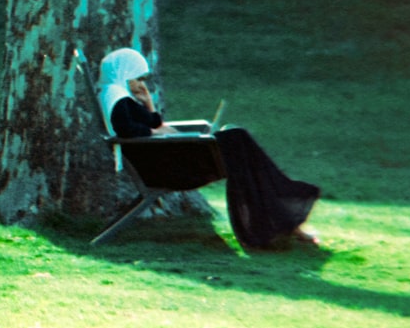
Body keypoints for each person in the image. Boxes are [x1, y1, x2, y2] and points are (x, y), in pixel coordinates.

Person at [97, 48, 322, 250]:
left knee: (243, 149)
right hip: (165, 167)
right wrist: (157, 133)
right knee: (238, 139)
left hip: (161, 160)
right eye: (136, 77)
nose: (140, 83)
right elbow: (128, 131)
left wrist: (147, 102)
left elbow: (153, 122)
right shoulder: (117, 98)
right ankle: (285, 216)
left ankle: (285, 221)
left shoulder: (117, 95)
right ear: (124, 73)